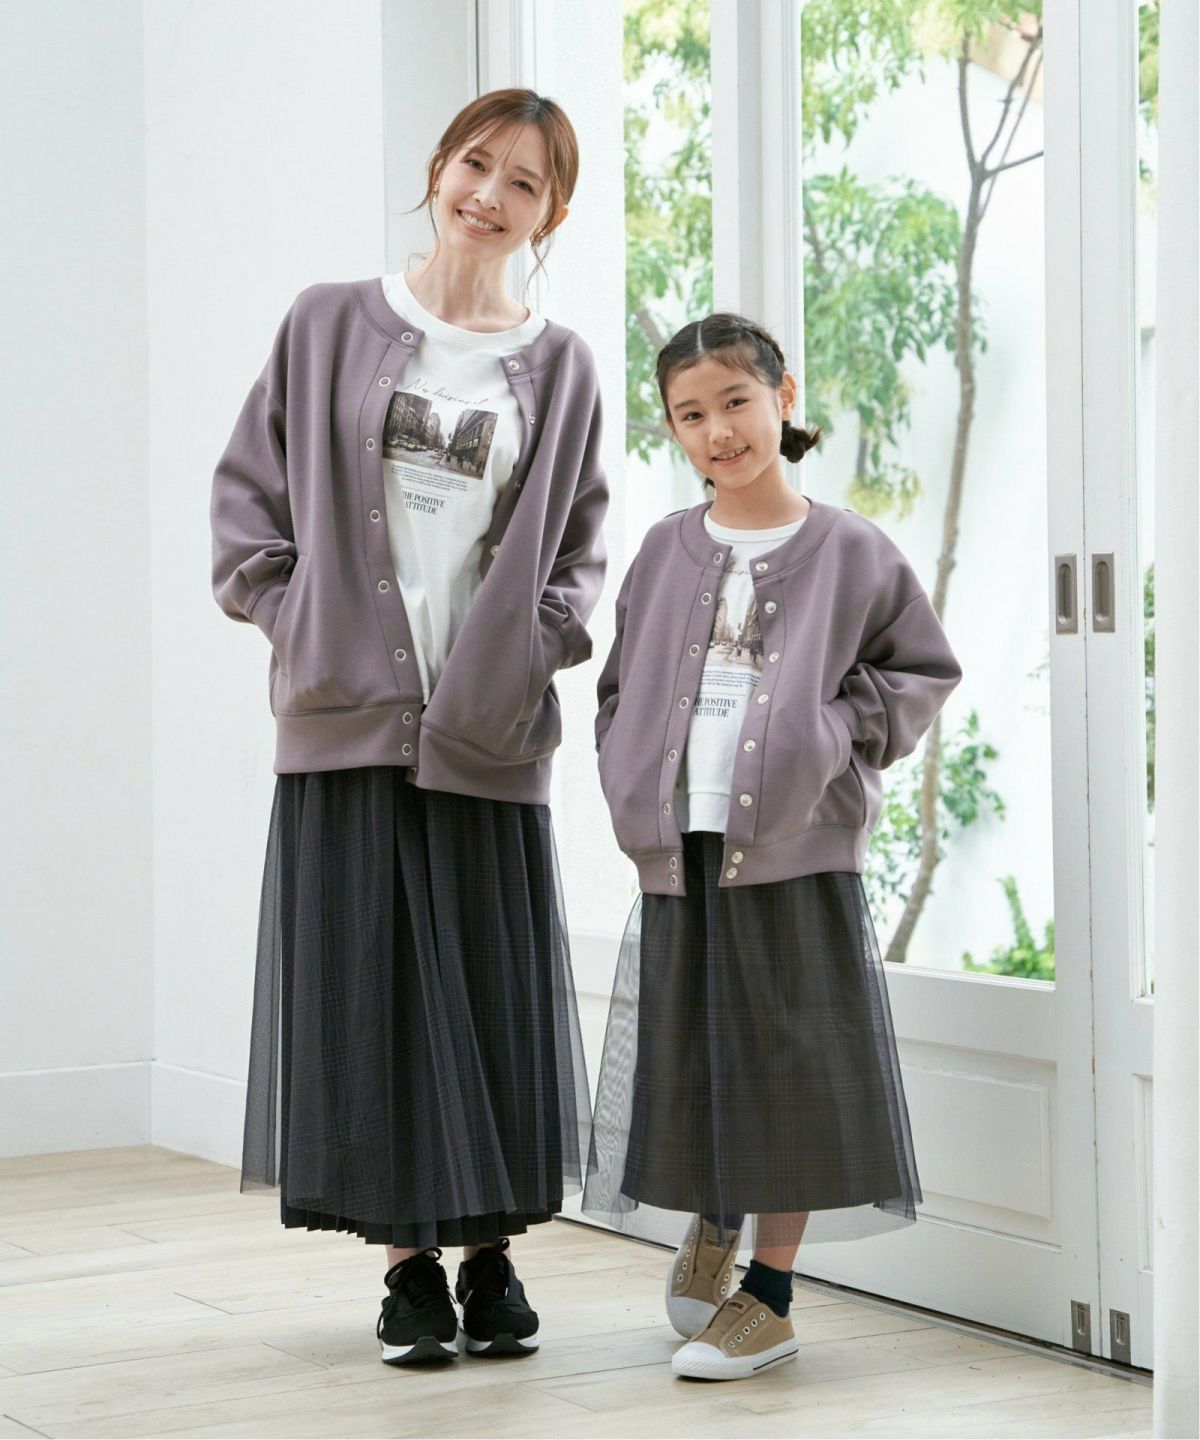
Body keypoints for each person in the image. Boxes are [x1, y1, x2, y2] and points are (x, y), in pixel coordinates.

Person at [210, 88, 607, 1365]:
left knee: (490, 998)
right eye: (477, 164)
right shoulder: (328, 322)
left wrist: (529, 653)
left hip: (486, 731)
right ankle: (407, 1271)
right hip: (346, 722)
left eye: (524, 182)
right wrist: (304, 624)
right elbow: (247, 508)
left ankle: (491, 1255)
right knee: (370, 1001)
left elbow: (577, 556)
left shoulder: (560, 366)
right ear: (439, 167)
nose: (490, 195)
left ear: (551, 213)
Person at [582, 312, 962, 1381]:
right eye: (690, 414)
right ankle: (716, 1219)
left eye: (736, 402)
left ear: (783, 399)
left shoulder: (849, 549)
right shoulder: (665, 549)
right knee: (697, 1052)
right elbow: (618, 687)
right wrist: (626, 769)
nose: (719, 431)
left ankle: (772, 1298)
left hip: (797, 849)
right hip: (681, 848)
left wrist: (834, 732)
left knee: (791, 1070)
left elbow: (920, 671)